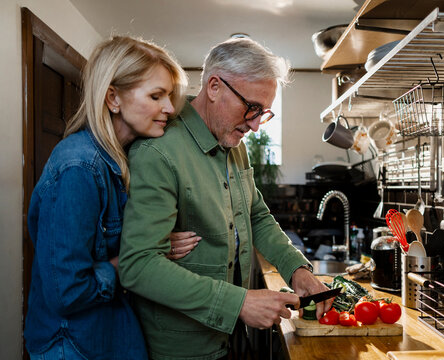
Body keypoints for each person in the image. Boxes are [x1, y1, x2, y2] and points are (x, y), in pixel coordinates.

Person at [119, 37, 332, 360]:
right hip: (183, 348)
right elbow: (138, 266)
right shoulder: (158, 152)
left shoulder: (235, 145)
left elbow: (256, 215)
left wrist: (297, 271)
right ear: (215, 87)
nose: (257, 125)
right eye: (252, 108)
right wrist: (239, 303)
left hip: (231, 337)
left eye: (264, 113)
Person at [24, 35, 197, 360]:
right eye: (156, 95)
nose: (170, 108)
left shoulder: (123, 159)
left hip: (110, 336)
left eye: (169, 97)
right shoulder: (79, 167)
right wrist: (143, 253)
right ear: (113, 98)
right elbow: (67, 292)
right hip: (72, 346)